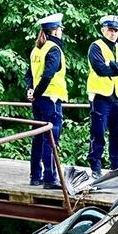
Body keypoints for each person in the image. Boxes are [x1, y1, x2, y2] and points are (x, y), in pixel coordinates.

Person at [86, 14, 118, 179]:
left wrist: (112, 65)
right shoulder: (96, 46)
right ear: (103, 30)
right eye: (110, 30)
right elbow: (100, 69)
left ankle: (116, 167)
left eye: (116, 30)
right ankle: (95, 167)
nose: (113, 33)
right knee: (98, 132)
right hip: (101, 96)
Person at [25, 13, 68, 189]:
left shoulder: (37, 49)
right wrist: (37, 92)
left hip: (38, 101)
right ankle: (50, 178)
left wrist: (31, 89)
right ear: (56, 31)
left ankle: (35, 176)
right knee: (51, 139)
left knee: (37, 137)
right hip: (51, 99)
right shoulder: (53, 49)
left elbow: (29, 75)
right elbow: (48, 75)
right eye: (61, 29)